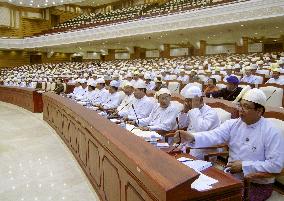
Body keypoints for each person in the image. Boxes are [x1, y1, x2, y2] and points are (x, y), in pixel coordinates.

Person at [174, 88, 284, 201]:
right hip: (232, 176)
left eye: (246, 107)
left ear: (259, 111)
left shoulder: (272, 131)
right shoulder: (233, 124)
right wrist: (192, 136)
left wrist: (244, 166)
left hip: (257, 183)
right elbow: (214, 135)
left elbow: (276, 165)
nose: (241, 110)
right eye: (240, 106)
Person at [178, 86, 220, 159]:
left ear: (200, 100)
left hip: (203, 149)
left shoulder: (210, 113)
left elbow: (200, 129)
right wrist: (184, 112)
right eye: (186, 101)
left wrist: (194, 108)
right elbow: (182, 125)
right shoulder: (192, 110)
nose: (187, 103)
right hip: (188, 145)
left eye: (189, 101)